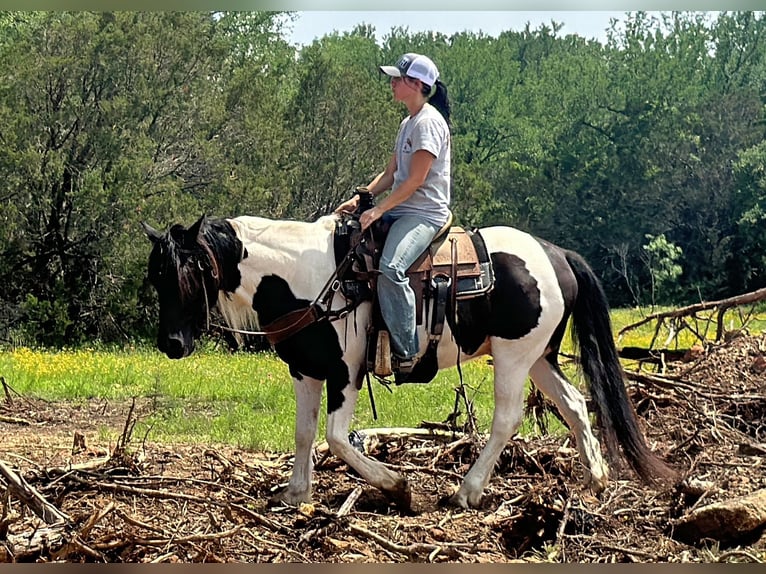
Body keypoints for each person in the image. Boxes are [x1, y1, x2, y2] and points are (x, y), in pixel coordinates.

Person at [335, 53, 452, 374]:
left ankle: (407, 351)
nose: (392, 83)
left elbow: (415, 181)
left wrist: (380, 210)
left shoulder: (428, 123)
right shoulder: (408, 122)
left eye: (397, 79)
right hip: (401, 209)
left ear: (416, 85)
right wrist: (363, 199)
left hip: (423, 214)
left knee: (391, 269)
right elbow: (391, 173)